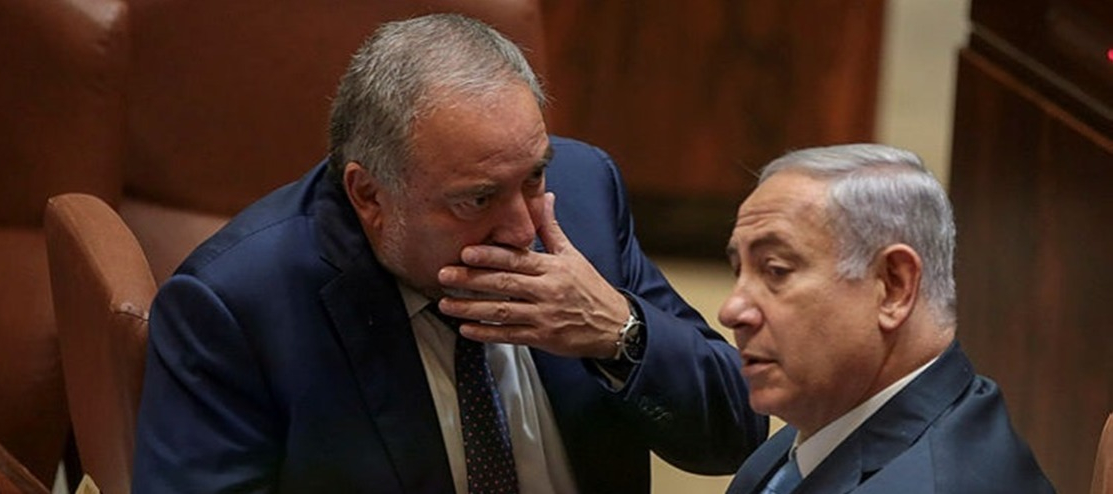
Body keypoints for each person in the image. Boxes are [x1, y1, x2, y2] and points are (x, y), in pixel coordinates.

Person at [132, 13, 766, 494]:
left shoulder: (583, 199)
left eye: (534, 177)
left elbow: (739, 433)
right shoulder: (234, 307)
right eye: (477, 199)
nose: (522, 229)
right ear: (369, 195)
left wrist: (619, 334)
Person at [719, 144, 1054, 493]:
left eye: (776, 270)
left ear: (894, 287)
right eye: (738, 270)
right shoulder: (830, 422)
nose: (731, 311)